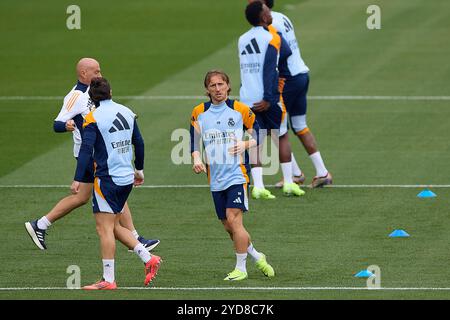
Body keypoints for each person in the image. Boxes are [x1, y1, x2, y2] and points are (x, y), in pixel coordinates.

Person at [24, 58, 160, 251]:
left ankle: (41, 224)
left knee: (82, 197)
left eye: (100, 71)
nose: (100, 75)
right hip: (89, 154)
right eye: (96, 72)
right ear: (83, 74)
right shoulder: (76, 95)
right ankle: (136, 240)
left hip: (99, 153)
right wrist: (67, 125)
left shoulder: (96, 91)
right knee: (115, 189)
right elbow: (57, 123)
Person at [75, 77, 161, 289]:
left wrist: (78, 178)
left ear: (91, 98)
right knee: (113, 225)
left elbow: (86, 150)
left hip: (107, 179)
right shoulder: (127, 111)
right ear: (111, 92)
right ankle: (148, 258)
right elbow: (138, 142)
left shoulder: (92, 118)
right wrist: (139, 170)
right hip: (125, 178)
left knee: (103, 229)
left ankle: (108, 280)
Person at [190, 70, 275, 281]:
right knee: (230, 227)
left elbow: (260, 132)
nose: (218, 89)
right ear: (207, 89)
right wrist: (196, 159)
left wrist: (246, 143)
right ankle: (256, 255)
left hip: (237, 175)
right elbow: (194, 139)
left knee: (233, 219)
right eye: (213, 86)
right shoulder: (199, 112)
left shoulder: (240, 110)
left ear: (228, 86)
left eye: (221, 84)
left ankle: (241, 269)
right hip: (215, 178)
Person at [249, 0, 332, 188]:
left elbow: (277, 54)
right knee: (299, 125)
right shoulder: (282, 17)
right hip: (301, 74)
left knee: (276, 128)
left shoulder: (270, 25)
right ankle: (322, 172)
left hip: (287, 80)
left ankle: (295, 174)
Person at [239, 1, 304, 198]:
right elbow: (270, 68)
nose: (270, 13)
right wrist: (268, 97)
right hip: (268, 97)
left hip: (247, 97)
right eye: (267, 11)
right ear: (262, 16)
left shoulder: (241, 39)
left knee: (255, 139)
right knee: (281, 135)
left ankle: (258, 186)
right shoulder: (272, 38)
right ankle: (289, 183)